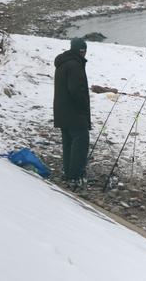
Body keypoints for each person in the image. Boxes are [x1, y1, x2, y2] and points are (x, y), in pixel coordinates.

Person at [53, 38, 91, 184]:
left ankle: (69, 173)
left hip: (62, 111)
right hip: (74, 112)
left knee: (68, 142)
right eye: (84, 51)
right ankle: (75, 175)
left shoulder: (63, 62)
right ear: (81, 51)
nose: (85, 54)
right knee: (81, 141)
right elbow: (76, 90)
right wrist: (83, 108)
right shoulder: (75, 65)